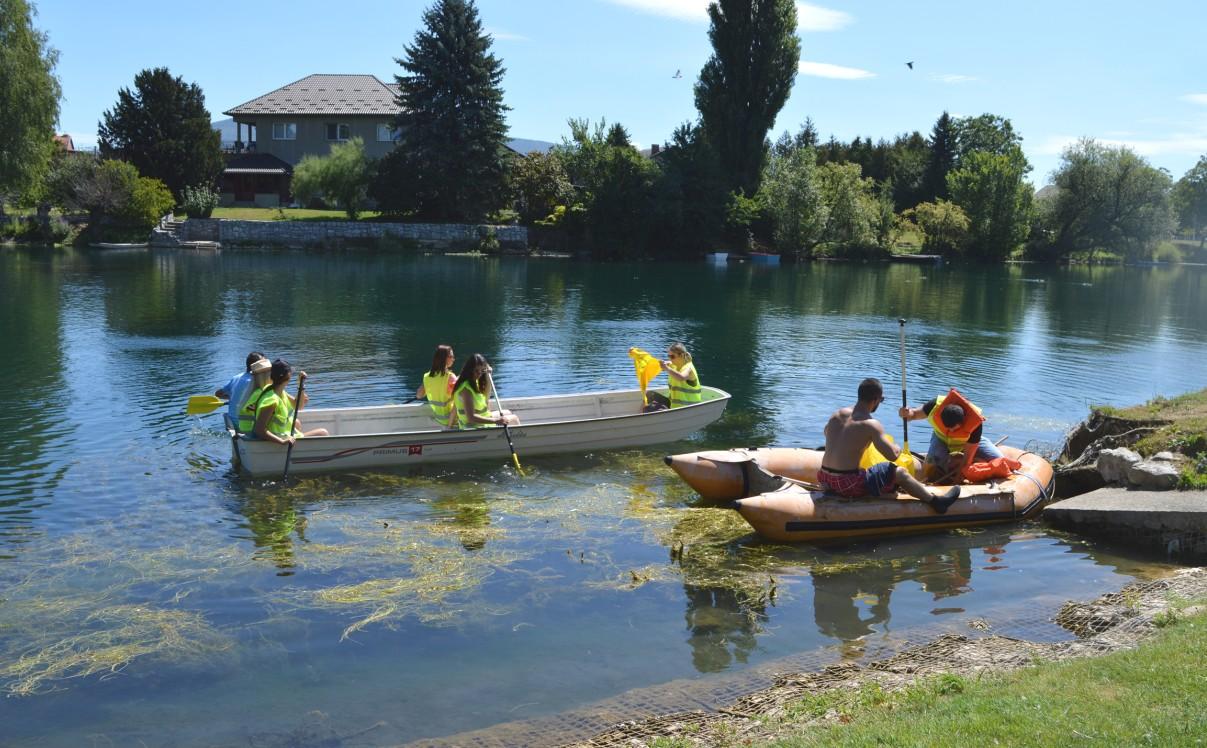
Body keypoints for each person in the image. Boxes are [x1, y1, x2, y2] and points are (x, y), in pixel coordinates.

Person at [818, 378, 960, 513]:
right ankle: (936, 502)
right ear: (875, 400)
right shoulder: (871, 424)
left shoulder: (836, 415)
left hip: (824, 478)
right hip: (847, 485)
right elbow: (892, 455)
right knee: (897, 472)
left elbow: (827, 432)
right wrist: (895, 446)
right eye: (881, 400)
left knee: (868, 469)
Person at [899, 388, 1004, 480]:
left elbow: (967, 459)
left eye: (954, 429)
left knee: (999, 459)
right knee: (930, 466)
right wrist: (907, 413)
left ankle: (974, 461)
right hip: (941, 438)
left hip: (967, 442)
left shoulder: (975, 423)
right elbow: (914, 415)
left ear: (962, 422)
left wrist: (958, 479)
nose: (952, 431)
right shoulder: (934, 406)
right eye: (947, 427)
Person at [253, 358, 329, 444]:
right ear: (287, 376)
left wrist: (301, 384)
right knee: (323, 433)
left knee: (298, 424)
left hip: (288, 436)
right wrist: (282, 441)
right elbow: (259, 430)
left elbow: (298, 406)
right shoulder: (272, 400)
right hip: (282, 441)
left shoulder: (278, 391)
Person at [454, 354, 520, 429]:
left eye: (481, 371)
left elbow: (485, 401)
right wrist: (495, 421)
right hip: (474, 426)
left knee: (509, 412)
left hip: (482, 418)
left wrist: (488, 376)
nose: (479, 374)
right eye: (476, 371)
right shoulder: (466, 390)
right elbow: (471, 418)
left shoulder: (472, 381)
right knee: (514, 418)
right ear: (470, 369)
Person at [647, 342, 701, 410]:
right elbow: (657, 365)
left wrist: (667, 368)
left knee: (651, 408)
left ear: (681, 355)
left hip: (689, 407)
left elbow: (681, 377)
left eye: (672, 356)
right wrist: (638, 355)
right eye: (669, 356)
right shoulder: (673, 364)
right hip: (674, 406)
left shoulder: (689, 368)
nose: (670, 359)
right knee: (650, 395)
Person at [216, 351, 265, 426]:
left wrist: (233, 398)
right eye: (264, 364)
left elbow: (218, 394)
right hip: (246, 424)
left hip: (232, 421)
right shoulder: (258, 381)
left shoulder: (236, 377)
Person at [416, 344, 458, 428]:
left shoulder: (427, 377)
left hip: (439, 419)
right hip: (453, 420)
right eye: (451, 356)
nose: (453, 359)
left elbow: (419, 395)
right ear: (444, 359)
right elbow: (460, 398)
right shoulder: (450, 377)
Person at [235, 357, 273, 433]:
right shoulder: (261, 393)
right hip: (251, 433)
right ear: (268, 375)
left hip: (245, 430)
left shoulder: (252, 390)